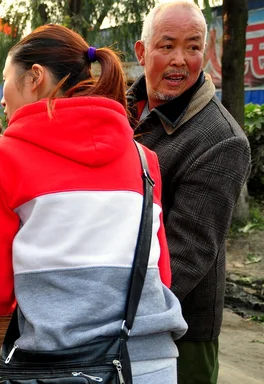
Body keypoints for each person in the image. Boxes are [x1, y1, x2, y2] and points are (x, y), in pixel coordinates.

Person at [0, 24, 188, 383]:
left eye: (5, 79)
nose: (2, 97)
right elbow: (160, 277)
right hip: (152, 363)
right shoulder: (144, 160)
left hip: (57, 367)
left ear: (35, 77)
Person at [127, 2, 251, 383]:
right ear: (142, 52)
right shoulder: (121, 109)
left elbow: (186, 256)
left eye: (193, 47)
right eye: (167, 46)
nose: (180, 60)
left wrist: (108, 310)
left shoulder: (221, 140)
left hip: (179, 329)